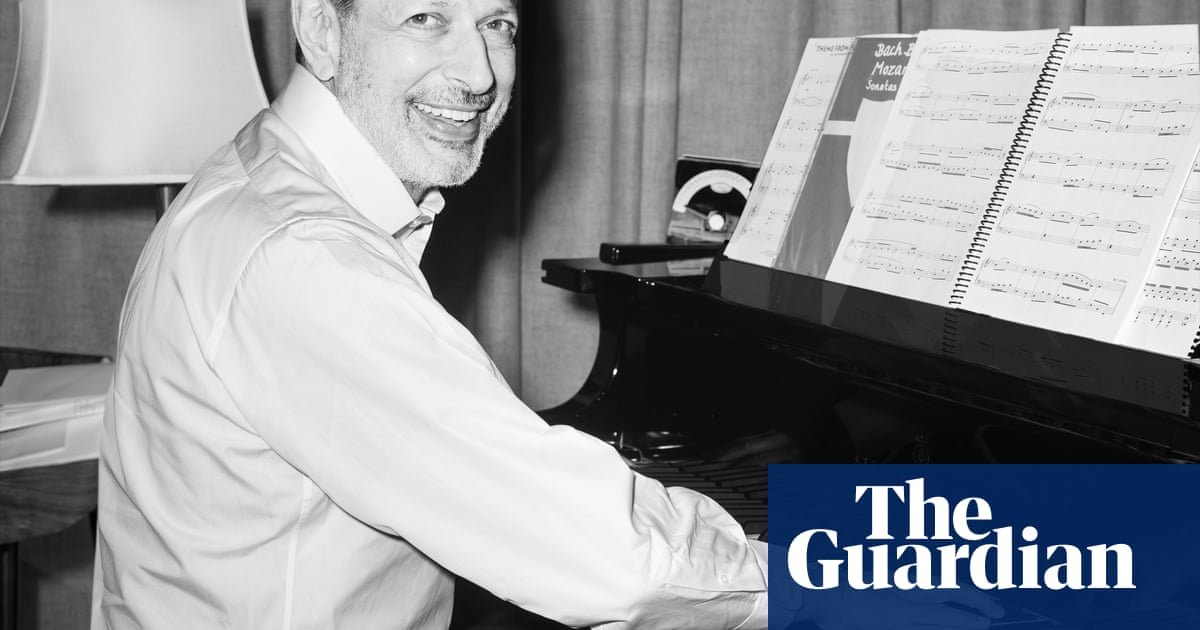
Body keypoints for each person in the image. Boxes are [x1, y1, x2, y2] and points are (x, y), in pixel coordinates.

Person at [90, 1, 1004, 628]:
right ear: (321, 30)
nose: (478, 73)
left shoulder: (261, 175)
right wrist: (858, 573)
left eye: (498, 24)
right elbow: (612, 562)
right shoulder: (304, 260)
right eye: (426, 19)